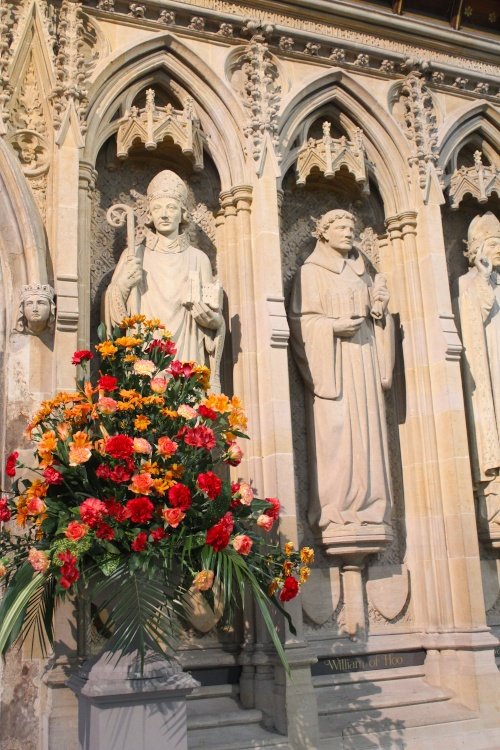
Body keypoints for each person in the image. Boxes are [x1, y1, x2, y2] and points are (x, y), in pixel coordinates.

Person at [288, 209, 394, 537]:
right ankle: (335, 510)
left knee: (368, 435)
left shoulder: (363, 274)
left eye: (352, 227)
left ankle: (373, 508)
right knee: (337, 431)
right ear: (324, 233)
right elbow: (300, 322)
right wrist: (333, 327)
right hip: (332, 365)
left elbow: (378, 322)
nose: (348, 232)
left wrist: (379, 312)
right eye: (341, 227)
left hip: (363, 362)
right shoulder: (311, 273)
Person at [103, 170, 225, 391]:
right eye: (157, 208)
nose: (164, 214)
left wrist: (213, 322)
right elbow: (115, 315)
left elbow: (214, 315)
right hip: (145, 356)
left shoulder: (199, 259)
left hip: (187, 357)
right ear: (149, 214)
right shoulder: (134, 255)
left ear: (182, 213)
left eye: (171, 207)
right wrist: (123, 285)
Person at [454, 212, 500, 540]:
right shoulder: (469, 282)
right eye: (494, 243)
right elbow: (472, 319)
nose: (498, 249)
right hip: (489, 369)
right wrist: (484, 282)